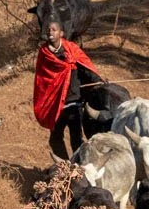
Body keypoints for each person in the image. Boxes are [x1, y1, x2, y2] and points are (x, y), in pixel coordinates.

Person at [32, 19, 100, 161]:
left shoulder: (72, 49)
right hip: (56, 105)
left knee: (76, 139)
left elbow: (86, 67)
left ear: (61, 33)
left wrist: (98, 80)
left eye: (54, 30)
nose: (50, 32)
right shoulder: (44, 54)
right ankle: (65, 167)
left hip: (74, 102)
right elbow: (42, 81)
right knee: (55, 138)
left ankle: (80, 168)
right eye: (48, 30)